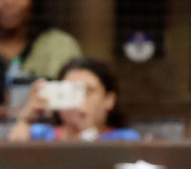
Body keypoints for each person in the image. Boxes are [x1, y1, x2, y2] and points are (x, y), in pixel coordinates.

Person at [8, 56, 139, 142]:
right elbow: (11, 160)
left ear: (109, 100)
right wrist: (26, 118)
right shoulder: (39, 135)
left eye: (88, 91)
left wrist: (86, 130)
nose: (79, 99)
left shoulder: (124, 139)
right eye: (70, 91)